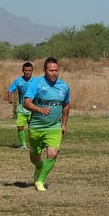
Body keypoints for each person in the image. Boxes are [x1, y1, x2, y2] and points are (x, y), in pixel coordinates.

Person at [23, 57, 70, 191]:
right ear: (44, 71)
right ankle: (38, 167)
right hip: (36, 127)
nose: (54, 73)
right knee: (35, 157)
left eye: (56, 70)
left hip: (54, 127)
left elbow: (66, 105)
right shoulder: (36, 84)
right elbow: (26, 102)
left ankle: (40, 180)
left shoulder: (64, 86)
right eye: (51, 70)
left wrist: (64, 124)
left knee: (53, 153)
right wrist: (39, 109)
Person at [7, 62, 35, 149]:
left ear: (32, 71)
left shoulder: (36, 81)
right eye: (26, 70)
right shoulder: (18, 81)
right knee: (20, 127)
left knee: (33, 129)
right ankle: (24, 145)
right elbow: (10, 90)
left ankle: (34, 145)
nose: (28, 72)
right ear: (23, 71)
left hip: (33, 109)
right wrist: (10, 98)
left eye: (30, 70)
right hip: (22, 109)